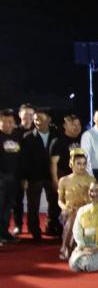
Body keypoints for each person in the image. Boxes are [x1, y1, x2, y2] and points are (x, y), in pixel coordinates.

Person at [21, 109, 60, 239]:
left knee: (54, 202)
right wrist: (24, 178)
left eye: (41, 119)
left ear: (49, 119)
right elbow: (24, 160)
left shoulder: (56, 135)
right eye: (36, 119)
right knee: (33, 204)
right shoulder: (27, 137)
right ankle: (34, 229)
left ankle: (52, 226)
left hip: (51, 175)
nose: (38, 122)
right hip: (34, 176)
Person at [56, 149, 93, 259]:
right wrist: (65, 208)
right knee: (73, 216)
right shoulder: (64, 180)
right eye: (79, 163)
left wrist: (86, 201)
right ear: (71, 163)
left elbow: (94, 200)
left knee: (76, 216)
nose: (82, 166)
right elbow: (59, 200)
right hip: (68, 211)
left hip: (85, 211)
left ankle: (67, 247)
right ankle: (67, 247)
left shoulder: (91, 180)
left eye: (84, 164)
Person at [11, 103, 35, 234]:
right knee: (17, 201)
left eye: (31, 114)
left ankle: (33, 226)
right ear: (20, 115)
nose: (29, 117)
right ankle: (18, 225)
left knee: (33, 202)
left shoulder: (37, 131)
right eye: (26, 114)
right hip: (18, 172)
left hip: (35, 173)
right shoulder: (14, 132)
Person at [0, 109, 22, 243]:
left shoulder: (16, 136)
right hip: (1, 178)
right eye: (5, 121)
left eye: (11, 122)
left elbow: (20, 158)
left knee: (8, 207)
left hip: (13, 177)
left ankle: (4, 233)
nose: (9, 124)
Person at [49, 114, 84, 187]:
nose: (76, 127)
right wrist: (55, 180)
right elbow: (53, 162)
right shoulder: (58, 141)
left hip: (81, 177)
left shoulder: (83, 139)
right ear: (65, 126)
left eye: (78, 124)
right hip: (64, 177)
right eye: (73, 124)